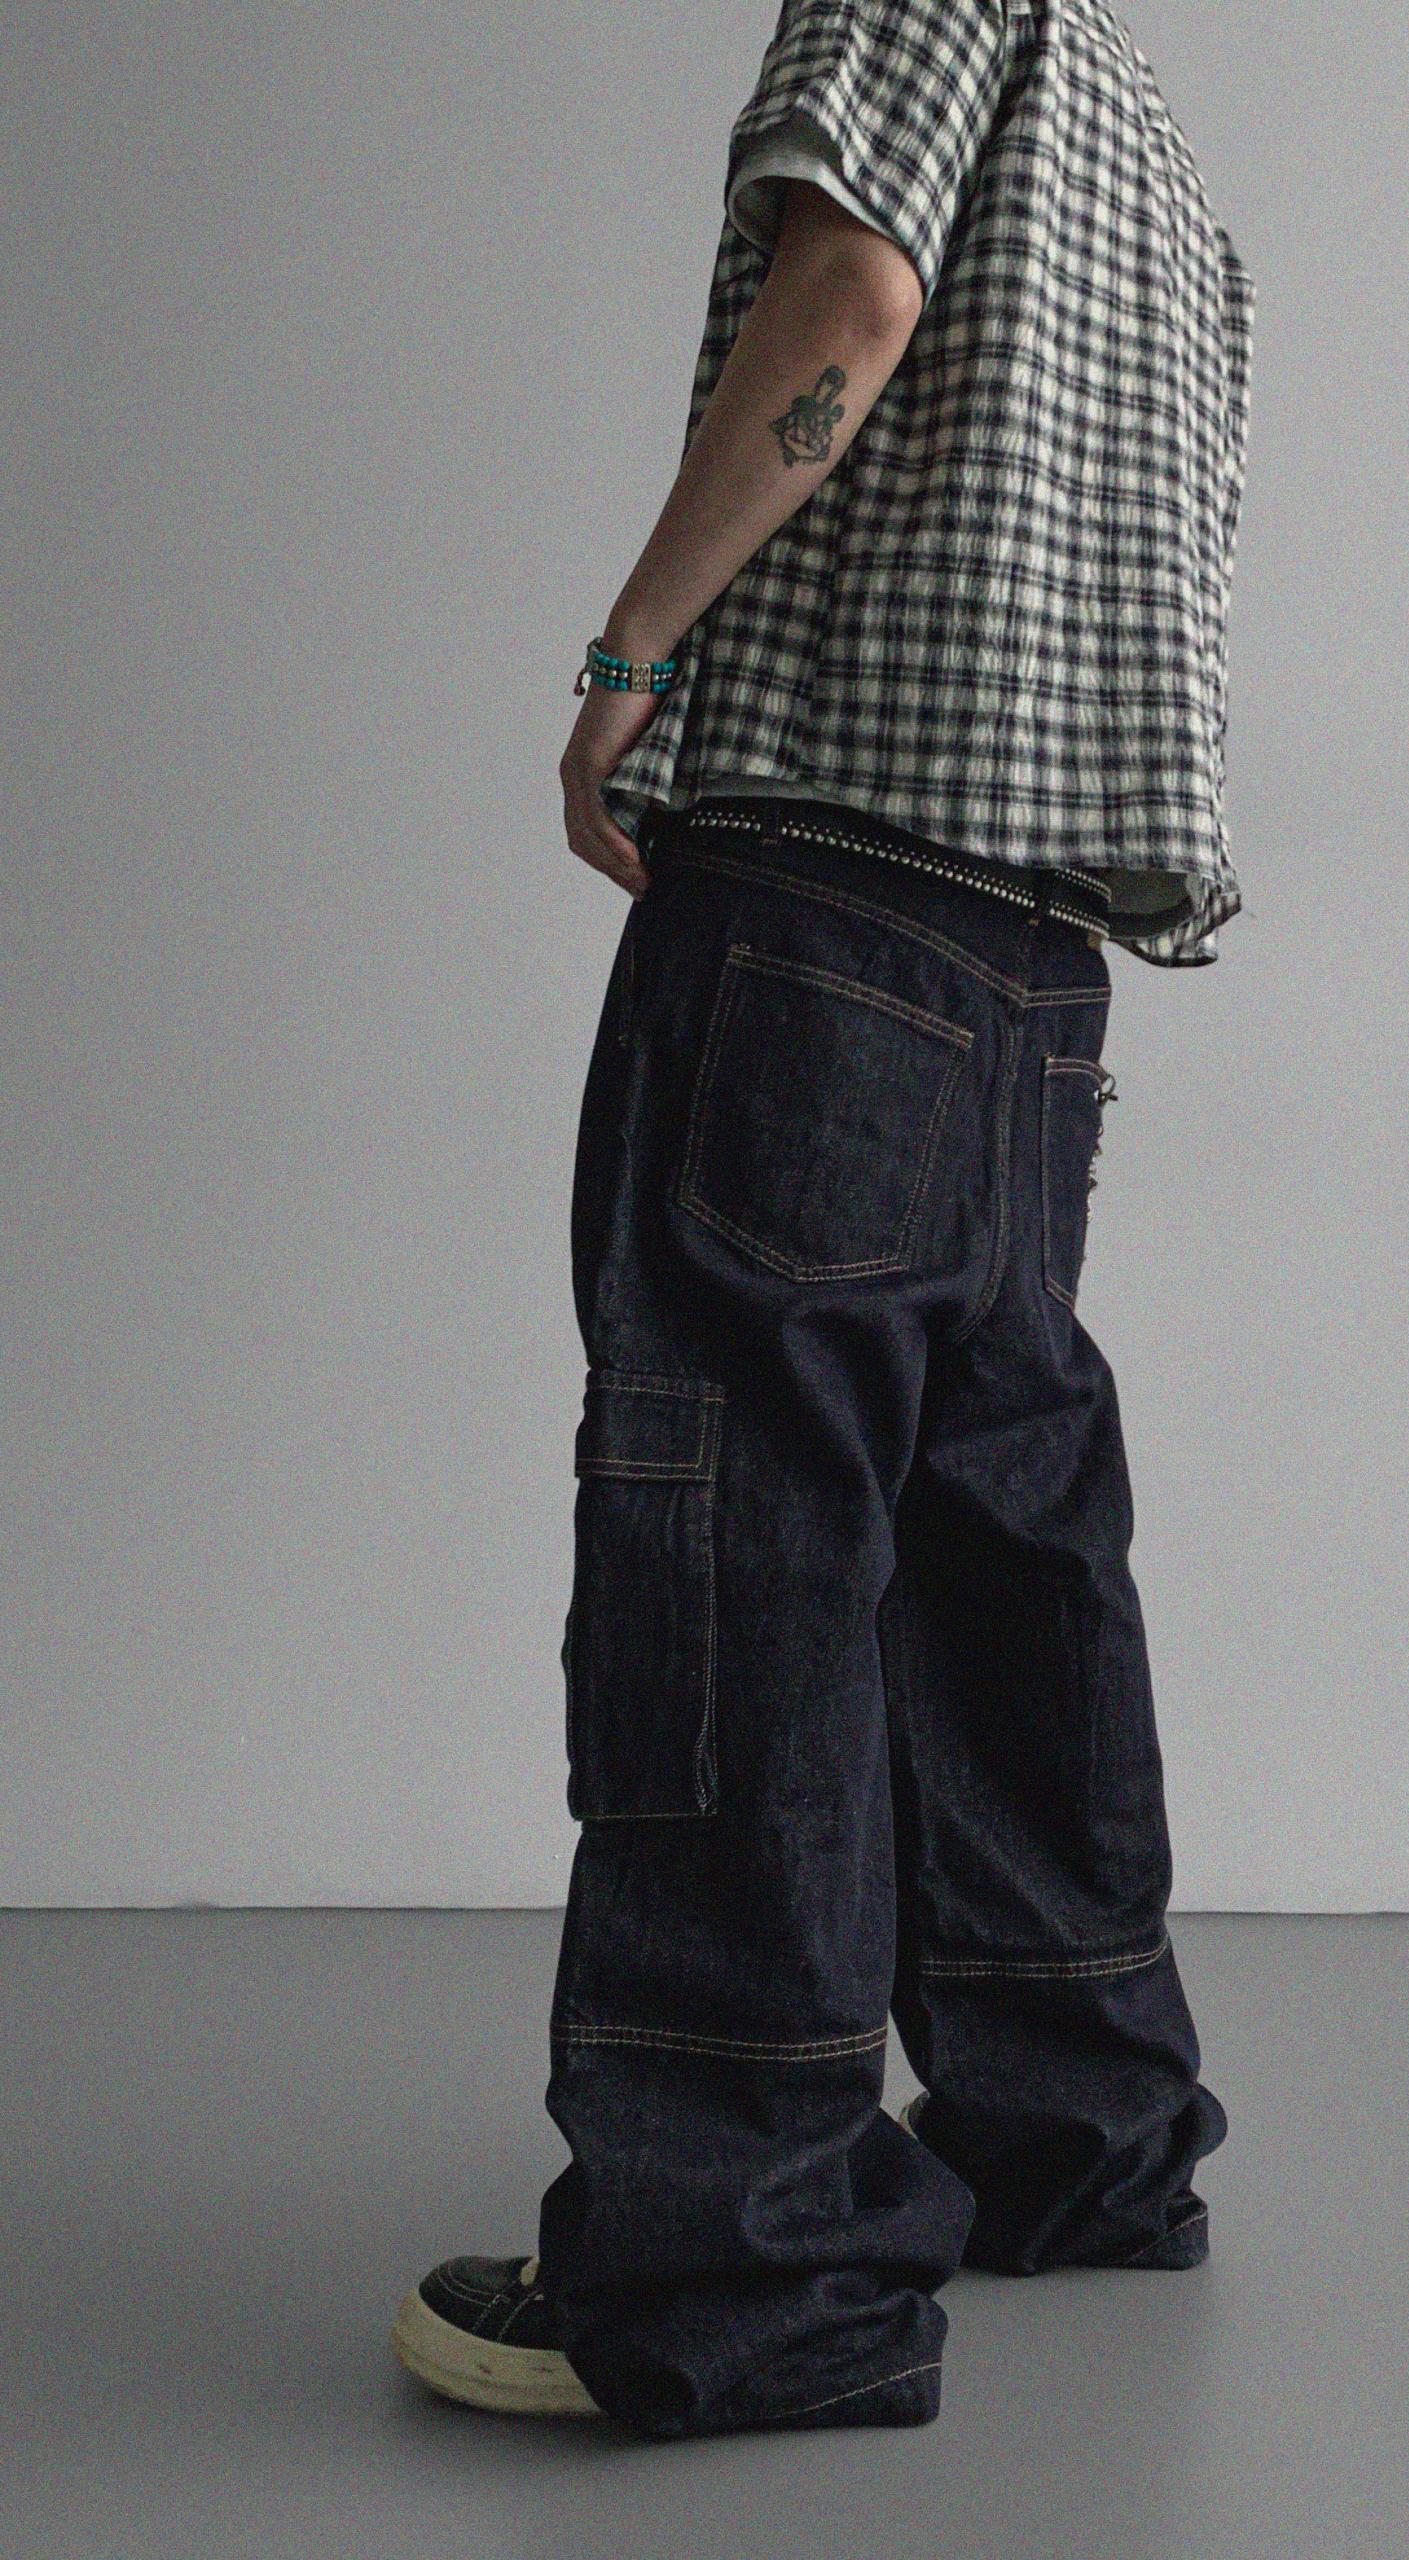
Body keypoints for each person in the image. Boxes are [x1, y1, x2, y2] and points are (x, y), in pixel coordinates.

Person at [390, 0, 1255, 2439]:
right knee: (1001, 1543)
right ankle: (1077, 2132)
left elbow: (852, 294)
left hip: (818, 906)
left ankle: (744, 2252)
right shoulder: (1158, 149)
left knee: (740, 1547)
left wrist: (630, 647)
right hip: (1038, 962)